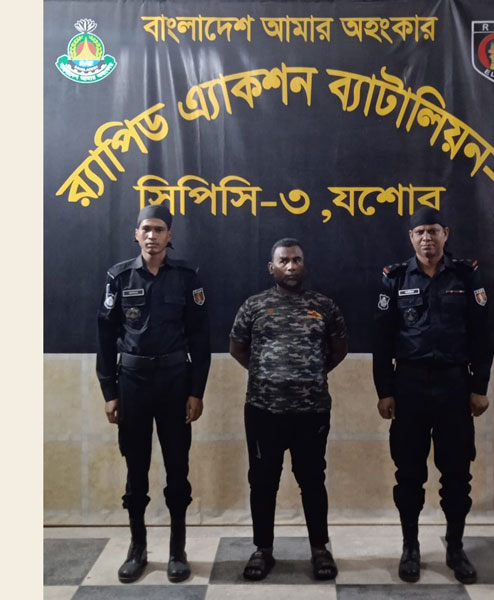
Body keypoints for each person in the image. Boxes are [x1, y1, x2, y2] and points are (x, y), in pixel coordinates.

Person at [372, 207, 493, 584]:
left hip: (454, 386)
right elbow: (381, 338)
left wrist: (479, 387)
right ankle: (410, 547)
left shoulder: (466, 275)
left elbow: (482, 335)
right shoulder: (395, 277)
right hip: (408, 386)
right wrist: (384, 391)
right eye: (420, 232)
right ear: (411, 237)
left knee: (457, 473)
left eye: (433, 231)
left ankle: (455, 548)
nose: (427, 238)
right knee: (408, 473)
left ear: (446, 234)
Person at [96, 204, 211, 584]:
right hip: (133, 384)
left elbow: (201, 338)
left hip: (175, 382)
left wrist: (196, 391)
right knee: (136, 466)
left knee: (177, 466)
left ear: (169, 236)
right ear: (136, 234)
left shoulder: (187, 277)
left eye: (159, 229)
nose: (152, 235)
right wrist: (109, 392)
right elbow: (105, 337)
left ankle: (177, 550)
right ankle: (138, 548)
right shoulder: (119, 277)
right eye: (146, 229)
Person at [229, 238, 348, 582]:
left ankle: (320, 549)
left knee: (312, 480)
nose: (291, 266)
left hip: (311, 411)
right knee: (262, 482)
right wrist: (268, 374)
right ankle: (262, 550)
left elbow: (339, 349)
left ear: (304, 264)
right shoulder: (254, 306)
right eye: (284, 261)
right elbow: (237, 348)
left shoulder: (324, 306)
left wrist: (309, 374)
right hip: (263, 410)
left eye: (296, 260)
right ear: (272, 267)